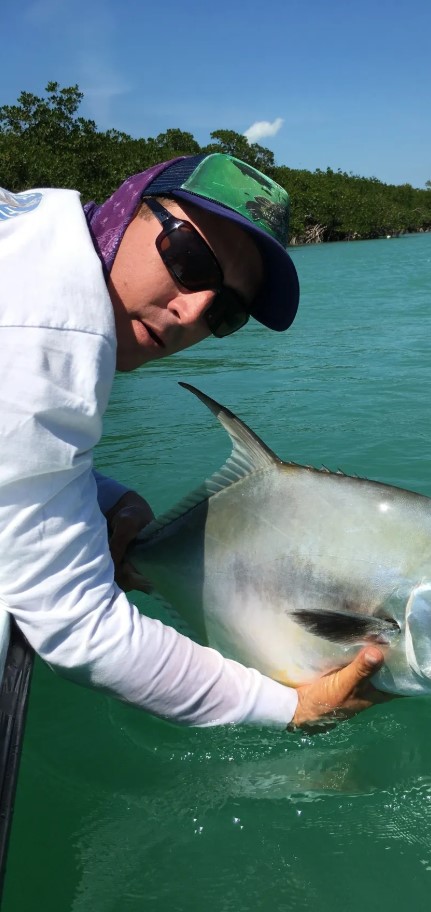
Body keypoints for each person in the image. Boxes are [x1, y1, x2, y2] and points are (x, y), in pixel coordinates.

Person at [0, 153, 387, 731]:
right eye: (190, 261)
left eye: (227, 313)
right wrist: (291, 706)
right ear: (128, 207)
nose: (193, 311)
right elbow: (77, 629)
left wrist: (108, 500)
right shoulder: (52, 336)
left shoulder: (27, 230)